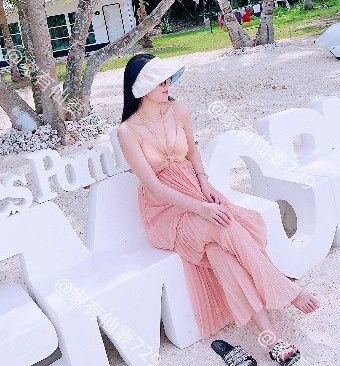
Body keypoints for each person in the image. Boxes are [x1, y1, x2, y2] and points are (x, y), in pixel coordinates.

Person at [116, 54, 320, 365]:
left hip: (196, 191)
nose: (168, 84)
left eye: (168, 78)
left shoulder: (178, 109)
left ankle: (272, 341)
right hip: (167, 212)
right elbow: (154, 187)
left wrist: (206, 185)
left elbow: (193, 152)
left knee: (221, 255)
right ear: (141, 87)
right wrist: (201, 208)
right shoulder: (128, 131)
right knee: (223, 225)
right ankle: (287, 289)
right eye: (160, 81)